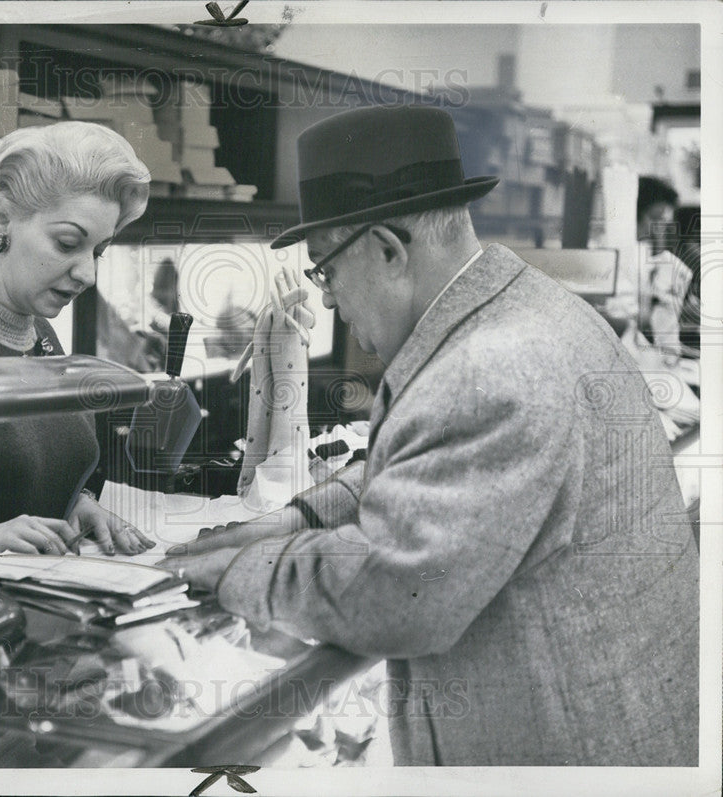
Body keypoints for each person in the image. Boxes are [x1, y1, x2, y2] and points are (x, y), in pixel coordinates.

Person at [161, 106, 698, 766]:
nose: (326, 299)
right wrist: (295, 517)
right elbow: (427, 459)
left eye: (325, 268)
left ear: (388, 248)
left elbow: (393, 594)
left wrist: (234, 569)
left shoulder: (489, 368)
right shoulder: (526, 308)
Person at [0, 122, 155, 564]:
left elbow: (8, 479)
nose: (87, 274)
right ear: (1, 216)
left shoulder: (37, 331)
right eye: (67, 243)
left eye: (98, 252)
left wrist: (76, 504)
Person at [606, 175, 693, 352]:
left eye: (663, 221)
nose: (657, 229)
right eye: (655, 218)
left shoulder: (652, 260)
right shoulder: (615, 255)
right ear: (634, 213)